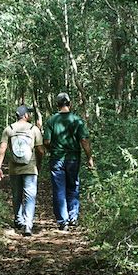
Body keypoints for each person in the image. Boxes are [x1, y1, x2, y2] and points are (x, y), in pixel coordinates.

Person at [44, 92, 94, 231]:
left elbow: (46, 141)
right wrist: (89, 157)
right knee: (73, 187)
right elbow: (84, 140)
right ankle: (73, 217)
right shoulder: (77, 120)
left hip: (57, 159)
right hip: (73, 158)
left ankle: (62, 221)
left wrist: (52, 149)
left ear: (57, 105)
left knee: (59, 189)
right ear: (69, 104)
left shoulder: (51, 121)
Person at [0, 105, 45, 236]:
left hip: (14, 168)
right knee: (30, 196)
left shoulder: (9, 129)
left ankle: (18, 220)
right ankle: (28, 225)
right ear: (26, 115)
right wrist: (39, 164)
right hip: (30, 167)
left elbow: (2, 148)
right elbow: (40, 150)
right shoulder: (34, 129)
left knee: (17, 195)